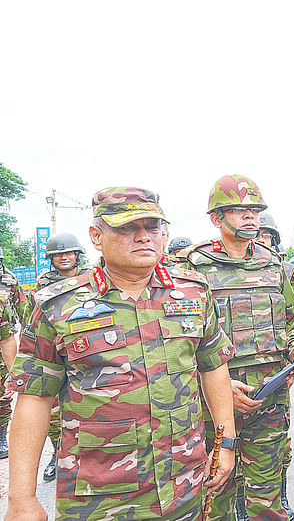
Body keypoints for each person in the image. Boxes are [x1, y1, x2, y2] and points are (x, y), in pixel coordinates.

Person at [8, 186, 236, 521]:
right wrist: (21, 497)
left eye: (153, 227)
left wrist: (225, 444)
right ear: (96, 236)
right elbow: (34, 399)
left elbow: (214, 368)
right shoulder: (58, 306)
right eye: (127, 228)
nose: (144, 237)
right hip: (100, 497)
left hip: (185, 486)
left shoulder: (194, 293)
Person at [184, 175, 294, 521]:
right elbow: (176, 343)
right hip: (212, 401)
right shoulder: (190, 268)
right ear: (216, 218)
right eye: (240, 211)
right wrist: (214, 387)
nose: (251, 217)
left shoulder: (276, 265)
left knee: (267, 497)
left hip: (269, 398)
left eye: (255, 210)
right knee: (213, 497)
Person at [21, 232, 90, 483]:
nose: (64, 257)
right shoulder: (41, 286)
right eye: (58, 254)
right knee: (51, 411)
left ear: (77, 255)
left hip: (87, 350)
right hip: (53, 350)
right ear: (51, 258)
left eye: (69, 253)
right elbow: (33, 322)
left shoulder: (93, 278)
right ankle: (56, 457)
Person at [0, 249, 25, 460]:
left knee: (2, 395)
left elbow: (23, 307)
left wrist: (14, 372)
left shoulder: (9, 280)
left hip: (3, 343)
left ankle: (1, 437)